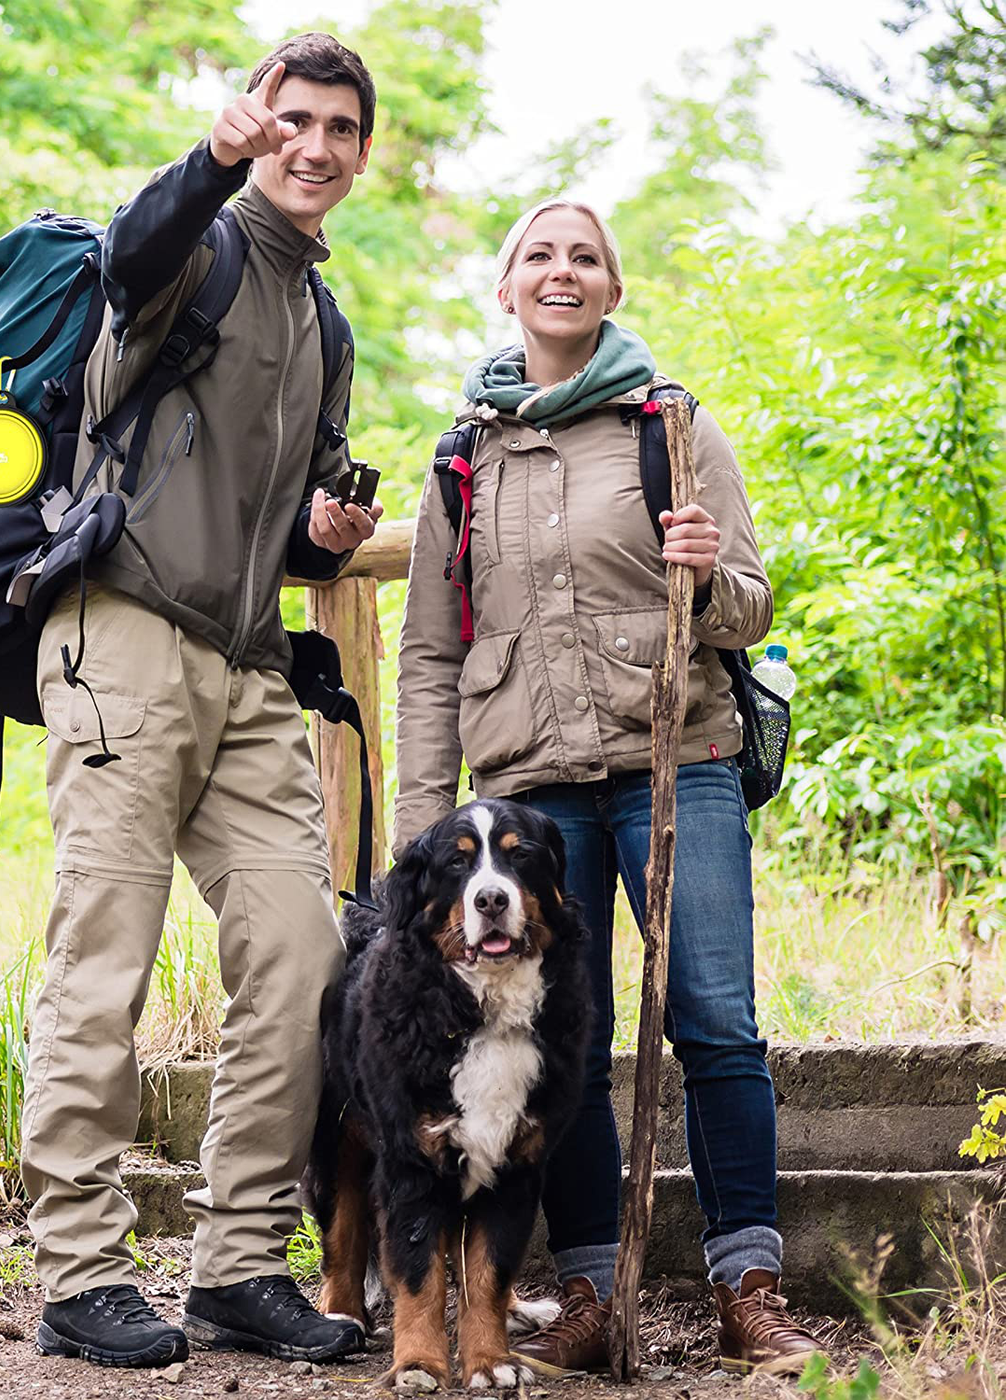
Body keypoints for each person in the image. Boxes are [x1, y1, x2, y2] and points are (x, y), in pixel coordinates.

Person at [393, 198, 824, 1376]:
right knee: (560, 1045)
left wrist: (706, 569)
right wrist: (426, 821)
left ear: (610, 288)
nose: (561, 271)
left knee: (713, 1021)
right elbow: (429, 651)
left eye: (583, 257)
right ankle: (588, 1286)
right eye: (539, 255)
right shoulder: (461, 455)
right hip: (525, 798)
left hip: (668, 763)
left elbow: (749, 598)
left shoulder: (668, 424)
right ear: (506, 287)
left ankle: (747, 1281)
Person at [20, 33, 383, 1370]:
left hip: (249, 667)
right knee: (102, 956)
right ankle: (77, 1273)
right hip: (120, 640)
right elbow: (129, 258)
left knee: (302, 951)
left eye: (341, 128)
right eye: (294, 120)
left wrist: (326, 535)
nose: (317, 146)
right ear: (257, 125)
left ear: (360, 149)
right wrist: (209, 158)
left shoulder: (322, 318)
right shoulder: (203, 248)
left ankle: (238, 1265)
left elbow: (279, 533)